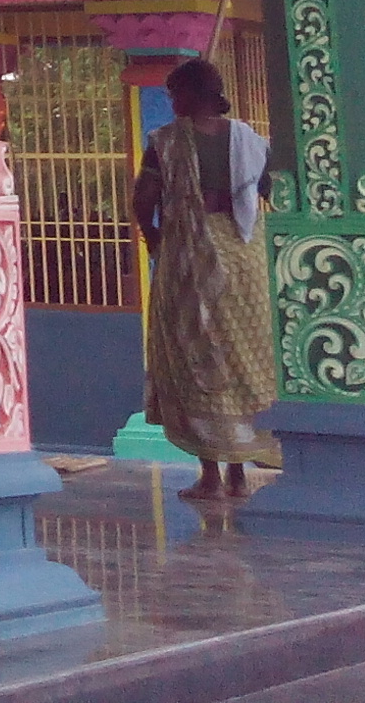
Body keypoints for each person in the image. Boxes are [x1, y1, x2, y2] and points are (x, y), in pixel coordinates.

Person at [131, 56, 277, 500]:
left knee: (196, 357)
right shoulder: (250, 142)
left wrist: (153, 235)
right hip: (245, 259)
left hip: (190, 259)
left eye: (176, 92)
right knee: (240, 360)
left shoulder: (165, 142)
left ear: (195, 94)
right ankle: (238, 472)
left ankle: (211, 473)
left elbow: (144, 198)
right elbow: (267, 191)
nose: (171, 100)